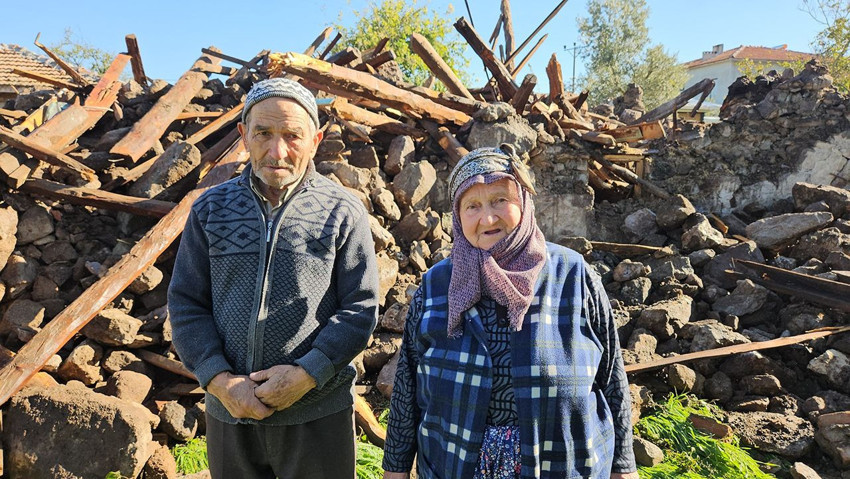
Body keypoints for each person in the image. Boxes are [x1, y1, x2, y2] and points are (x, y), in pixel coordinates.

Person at [382, 145, 638, 479]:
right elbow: (407, 386)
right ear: (457, 217)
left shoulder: (574, 275)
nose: (487, 218)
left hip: (560, 465)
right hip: (455, 463)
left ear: (524, 201)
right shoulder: (436, 285)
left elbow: (612, 380)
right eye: (472, 206)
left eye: (500, 200)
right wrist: (396, 469)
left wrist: (623, 467)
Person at [168, 77, 379, 479]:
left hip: (317, 414)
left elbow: (361, 308)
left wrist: (306, 375)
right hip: (230, 416)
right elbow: (186, 303)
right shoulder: (209, 209)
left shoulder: (342, 212)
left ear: (316, 140)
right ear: (243, 135)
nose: (277, 151)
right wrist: (219, 381)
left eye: (292, 136)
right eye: (263, 133)